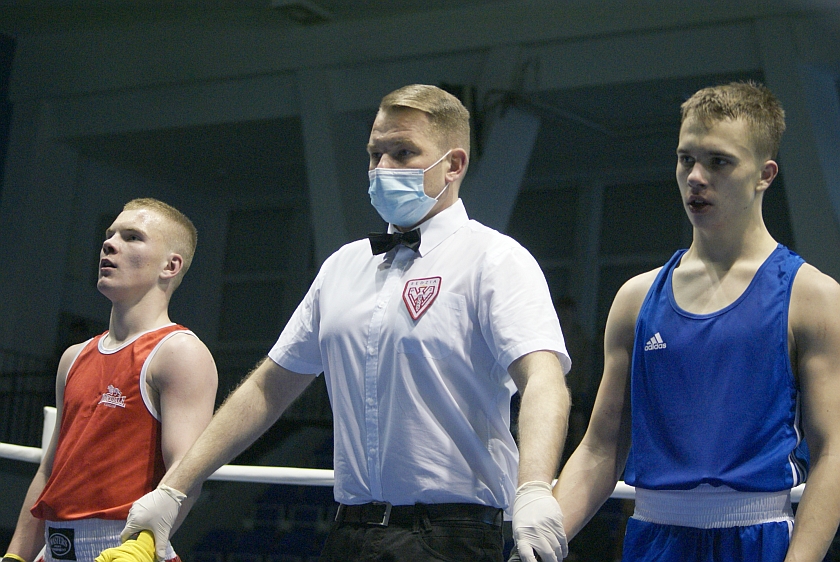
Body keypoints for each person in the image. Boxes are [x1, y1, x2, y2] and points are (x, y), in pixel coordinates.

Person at [119, 84, 572, 562]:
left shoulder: (495, 259)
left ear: (454, 165)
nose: (383, 169)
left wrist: (535, 487)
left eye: (403, 153)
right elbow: (268, 387)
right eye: (376, 154)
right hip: (350, 533)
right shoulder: (343, 266)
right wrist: (173, 489)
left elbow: (543, 377)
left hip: (451, 536)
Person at [544, 81, 840, 561]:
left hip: (758, 541)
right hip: (652, 540)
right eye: (686, 159)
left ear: (765, 174)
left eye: (719, 162)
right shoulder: (636, 300)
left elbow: (834, 454)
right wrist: (543, 540)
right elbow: (601, 448)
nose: (696, 177)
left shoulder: (813, 297)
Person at [2, 198, 218, 562]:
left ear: (171, 265)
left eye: (132, 237)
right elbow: (50, 470)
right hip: (53, 551)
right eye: (110, 235)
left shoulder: (178, 353)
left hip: (130, 548)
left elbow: (188, 471)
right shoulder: (73, 358)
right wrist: (16, 556)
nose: (110, 244)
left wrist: (144, 546)